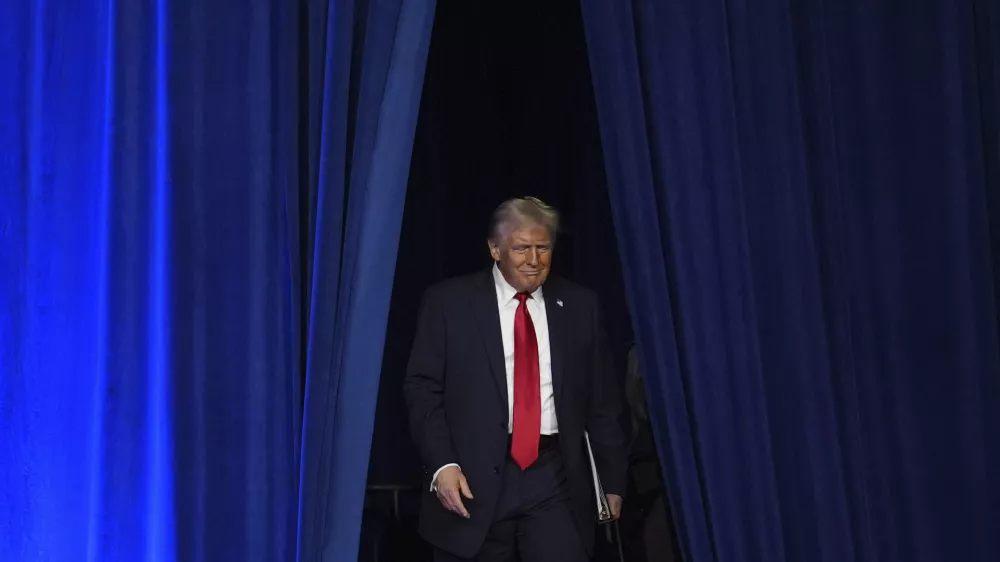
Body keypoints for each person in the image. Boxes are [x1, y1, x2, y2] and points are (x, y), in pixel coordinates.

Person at [403, 197, 627, 562]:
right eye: (522, 248)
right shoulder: (449, 303)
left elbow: (602, 400)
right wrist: (443, 464)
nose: (534, 260)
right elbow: (423, 389)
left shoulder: (580, 306)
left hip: (554, 476)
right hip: (471, 478)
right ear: (495, 249)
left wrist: (613, 479)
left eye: (543, 248)